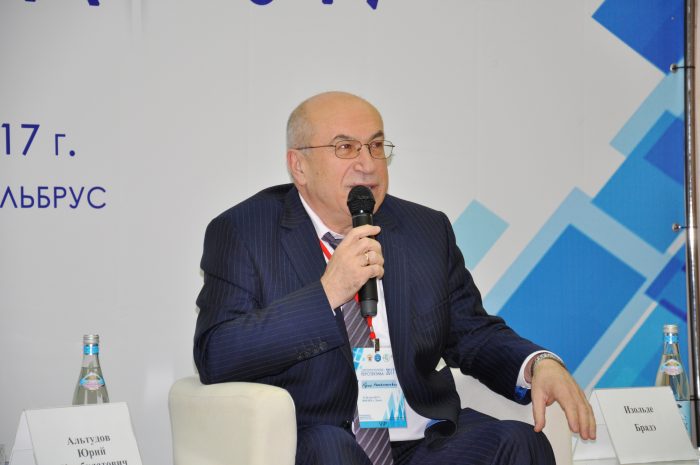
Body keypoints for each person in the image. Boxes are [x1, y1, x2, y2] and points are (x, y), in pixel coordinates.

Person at [194, 91, 596, 465]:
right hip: (323, 437)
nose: (367, 163)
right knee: (331, 451)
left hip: (420, 441)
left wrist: (538, 364)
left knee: (518, 442)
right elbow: (217, 355)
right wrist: (328, 293)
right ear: (298, 165)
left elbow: (471, 332)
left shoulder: (424, 229)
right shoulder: (244, 232)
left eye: (375, 146)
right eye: (345, 147)